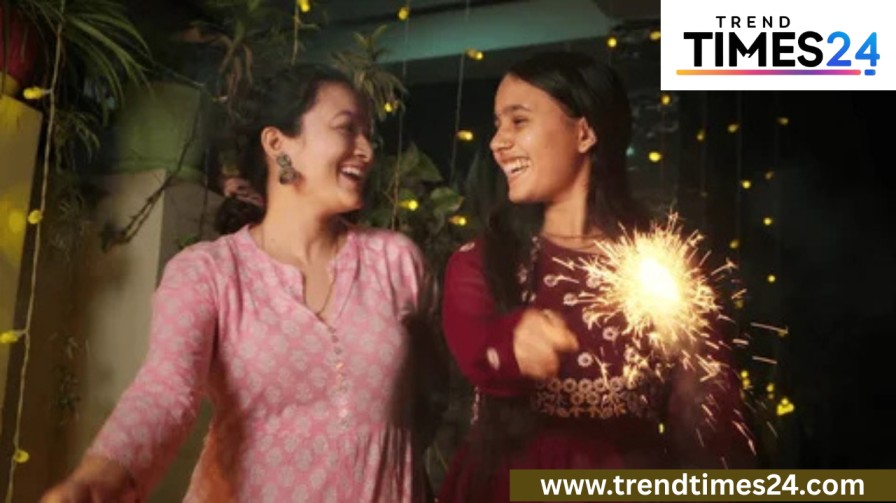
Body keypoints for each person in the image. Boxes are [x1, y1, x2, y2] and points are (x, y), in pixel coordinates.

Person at [42, 63, 429, 502]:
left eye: (368, 135)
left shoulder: (396, 263)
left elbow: (432, 400)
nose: (366, 150)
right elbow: (165, 394)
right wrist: (97, 479)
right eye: (347, 129)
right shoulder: (208, 274)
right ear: (277, 144)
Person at [438, 51, 754, 502]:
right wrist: (513, 345)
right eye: (497, 124)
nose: (497, 142)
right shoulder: (484, 260)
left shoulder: (662, 266)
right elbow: (477, 347)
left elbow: (707, 413)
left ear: (584, 133)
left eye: (519, 121)